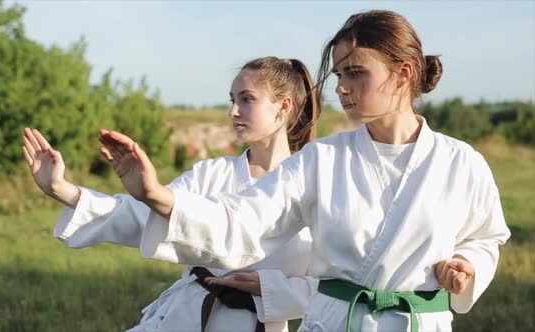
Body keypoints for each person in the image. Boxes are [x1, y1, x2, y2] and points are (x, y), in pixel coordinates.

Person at [97, 10, 511, 332]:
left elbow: (486, 236)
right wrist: (157, 194)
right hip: (333, 322)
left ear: (403, 74)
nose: (342, 87)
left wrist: (468, 264)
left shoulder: (461, 162)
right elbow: (244, 221)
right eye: (338, 74)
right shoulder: (321, 160)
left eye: (356, 72)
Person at [23, 56, 321, 332]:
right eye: (233, 100)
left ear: (283, 106)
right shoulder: (212, 173)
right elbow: (146, 214)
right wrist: (62, 189)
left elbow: (331, 288)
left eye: (247, 99)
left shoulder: (314, 186)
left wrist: (270, 288)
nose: (233, 111)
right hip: (183, 317)